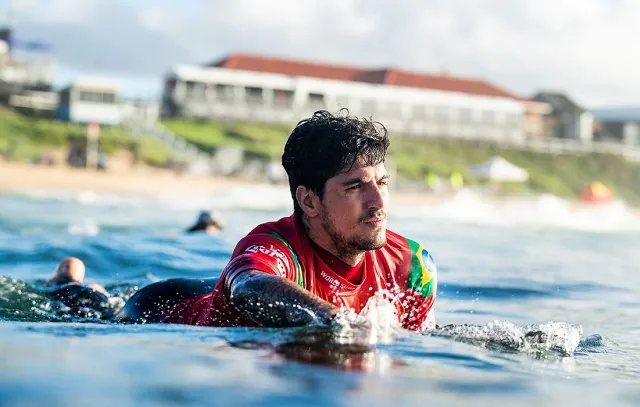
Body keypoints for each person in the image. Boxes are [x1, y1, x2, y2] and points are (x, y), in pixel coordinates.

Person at [115, 110, 438, 331]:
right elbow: (247, 286)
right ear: (309, 201)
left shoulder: (411, 268)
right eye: (354, 187)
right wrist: (340, 323)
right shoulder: (275, 248)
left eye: (381, 183)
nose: (379, 202)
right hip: (158, 308)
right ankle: (65, 280)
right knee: (81, 301)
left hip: (217, 288)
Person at [43, 257, 112, 315]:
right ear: (81, 277)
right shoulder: (91, 289)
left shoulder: (53, 287)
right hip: (92, 300)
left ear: (56, 273)